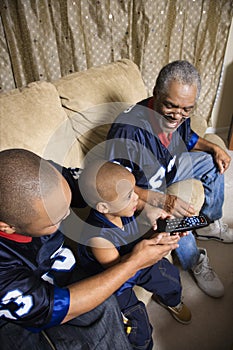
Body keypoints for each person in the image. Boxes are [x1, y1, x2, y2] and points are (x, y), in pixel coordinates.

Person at [0, 148, 180, 350]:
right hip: (16, 315)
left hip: (61, 275)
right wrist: (135, 262)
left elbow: (101, 185)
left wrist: (144, 204)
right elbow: (54, 308)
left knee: (108, 308)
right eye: (57, 218)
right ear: (6, 226)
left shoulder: (48, 176)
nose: (69, 214)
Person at [106, 60, 232, 298]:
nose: (178, 115)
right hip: (143, 191)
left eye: (187, 109)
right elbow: (117, 187)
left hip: (170, 169)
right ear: (156, 94)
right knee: (175, 219)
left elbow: (190, 138)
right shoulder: (127, 130)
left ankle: (210, 225)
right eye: (171, 106)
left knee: (213, 165)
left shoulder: (181, 117)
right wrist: (161, 200)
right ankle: (195, 260)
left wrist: (214, 148)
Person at [77, 160, 191, 350]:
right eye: (129, 196)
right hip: (118, 277)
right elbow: (121, 270)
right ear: (103, 208)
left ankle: (172, 301)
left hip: (134, 253)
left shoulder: (124, 206)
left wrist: (156, 224)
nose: (136, 198)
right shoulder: (98, 238)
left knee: (169, 276)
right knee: (137, 324)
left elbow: (141, 208)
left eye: (134, 191)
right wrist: (154, 246)